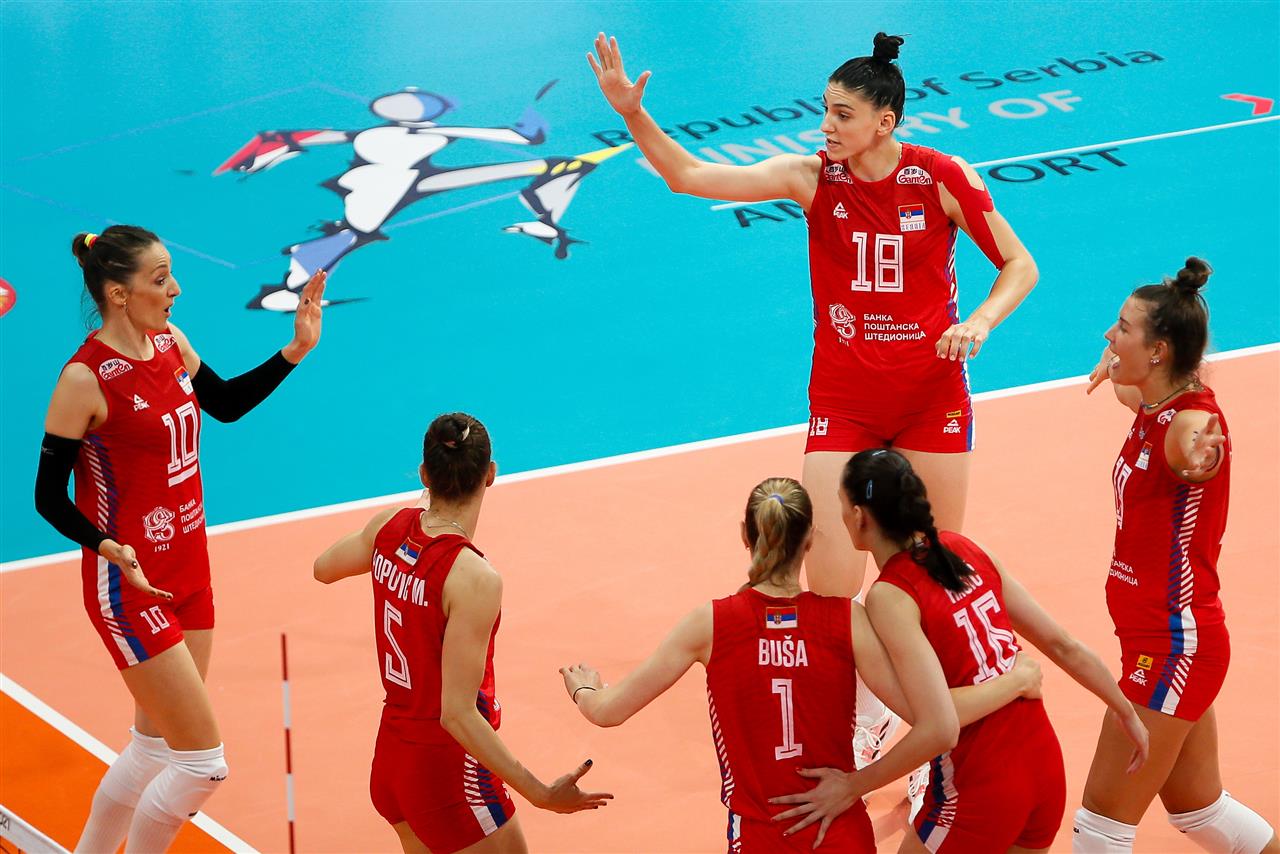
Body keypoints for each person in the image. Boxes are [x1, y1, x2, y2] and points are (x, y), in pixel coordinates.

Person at [587, 30, 1038, 776]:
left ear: (885, 122)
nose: (825, 126)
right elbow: (688, 176)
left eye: (842, 114)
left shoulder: (942, 178)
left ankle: (929, 729)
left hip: (932, 398)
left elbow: (1020, 265)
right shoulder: (810, 179)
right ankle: (863, 716)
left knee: (926, 574)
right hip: (845, 401)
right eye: (824, 110)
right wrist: (631, 114)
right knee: (830, 587)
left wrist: (980, 322)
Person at [34, 225, 326, 852]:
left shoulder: (170, 342)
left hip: (190, 571)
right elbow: (48, 497)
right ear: (119, 293)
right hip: (130, 585)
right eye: (161, 278)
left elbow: (225, 403)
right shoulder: (85, 379)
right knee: (202, 764)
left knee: (154, 749)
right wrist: (108, 547)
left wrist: (295, 350)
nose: (176, 290)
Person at [560, 477, 1042, 851]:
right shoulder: (848, 620)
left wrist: (585, 689)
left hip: (759, 838)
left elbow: (607, 711)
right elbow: (932, 718)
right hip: (841, 832)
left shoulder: (709, 624)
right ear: (810, 539)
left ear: (745, 536)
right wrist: (1014, 680)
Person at [774, 450, 1148, 852]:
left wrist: (853, 786)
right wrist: (1125, 711)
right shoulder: (965, 548)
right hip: (1044, 767)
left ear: (859, 516)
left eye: (841, 505)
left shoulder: (891, 595)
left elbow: (939, 726)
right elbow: (1064, 645)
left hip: (980, 784)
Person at [314, 413, 611, 854]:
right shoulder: (473, 577)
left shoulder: (389, 527)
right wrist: (541, 794)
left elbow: (322, 569)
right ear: (490, 474)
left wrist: (410, 529)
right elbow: (456, 713)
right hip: (448, 775)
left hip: (392, 760)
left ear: (424, 474)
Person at [1075, 259, 1277, 853]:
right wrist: (1112, 362)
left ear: (1159, 351)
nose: (1109, 335)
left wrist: (1199, 457)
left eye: (1122, 328)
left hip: (1172, 648)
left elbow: (1193, 448)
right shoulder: (1152, 401)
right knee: (1201, 812)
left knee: (1100, 826)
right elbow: (1125, 386)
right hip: (1155, 640)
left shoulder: (1188, 420)